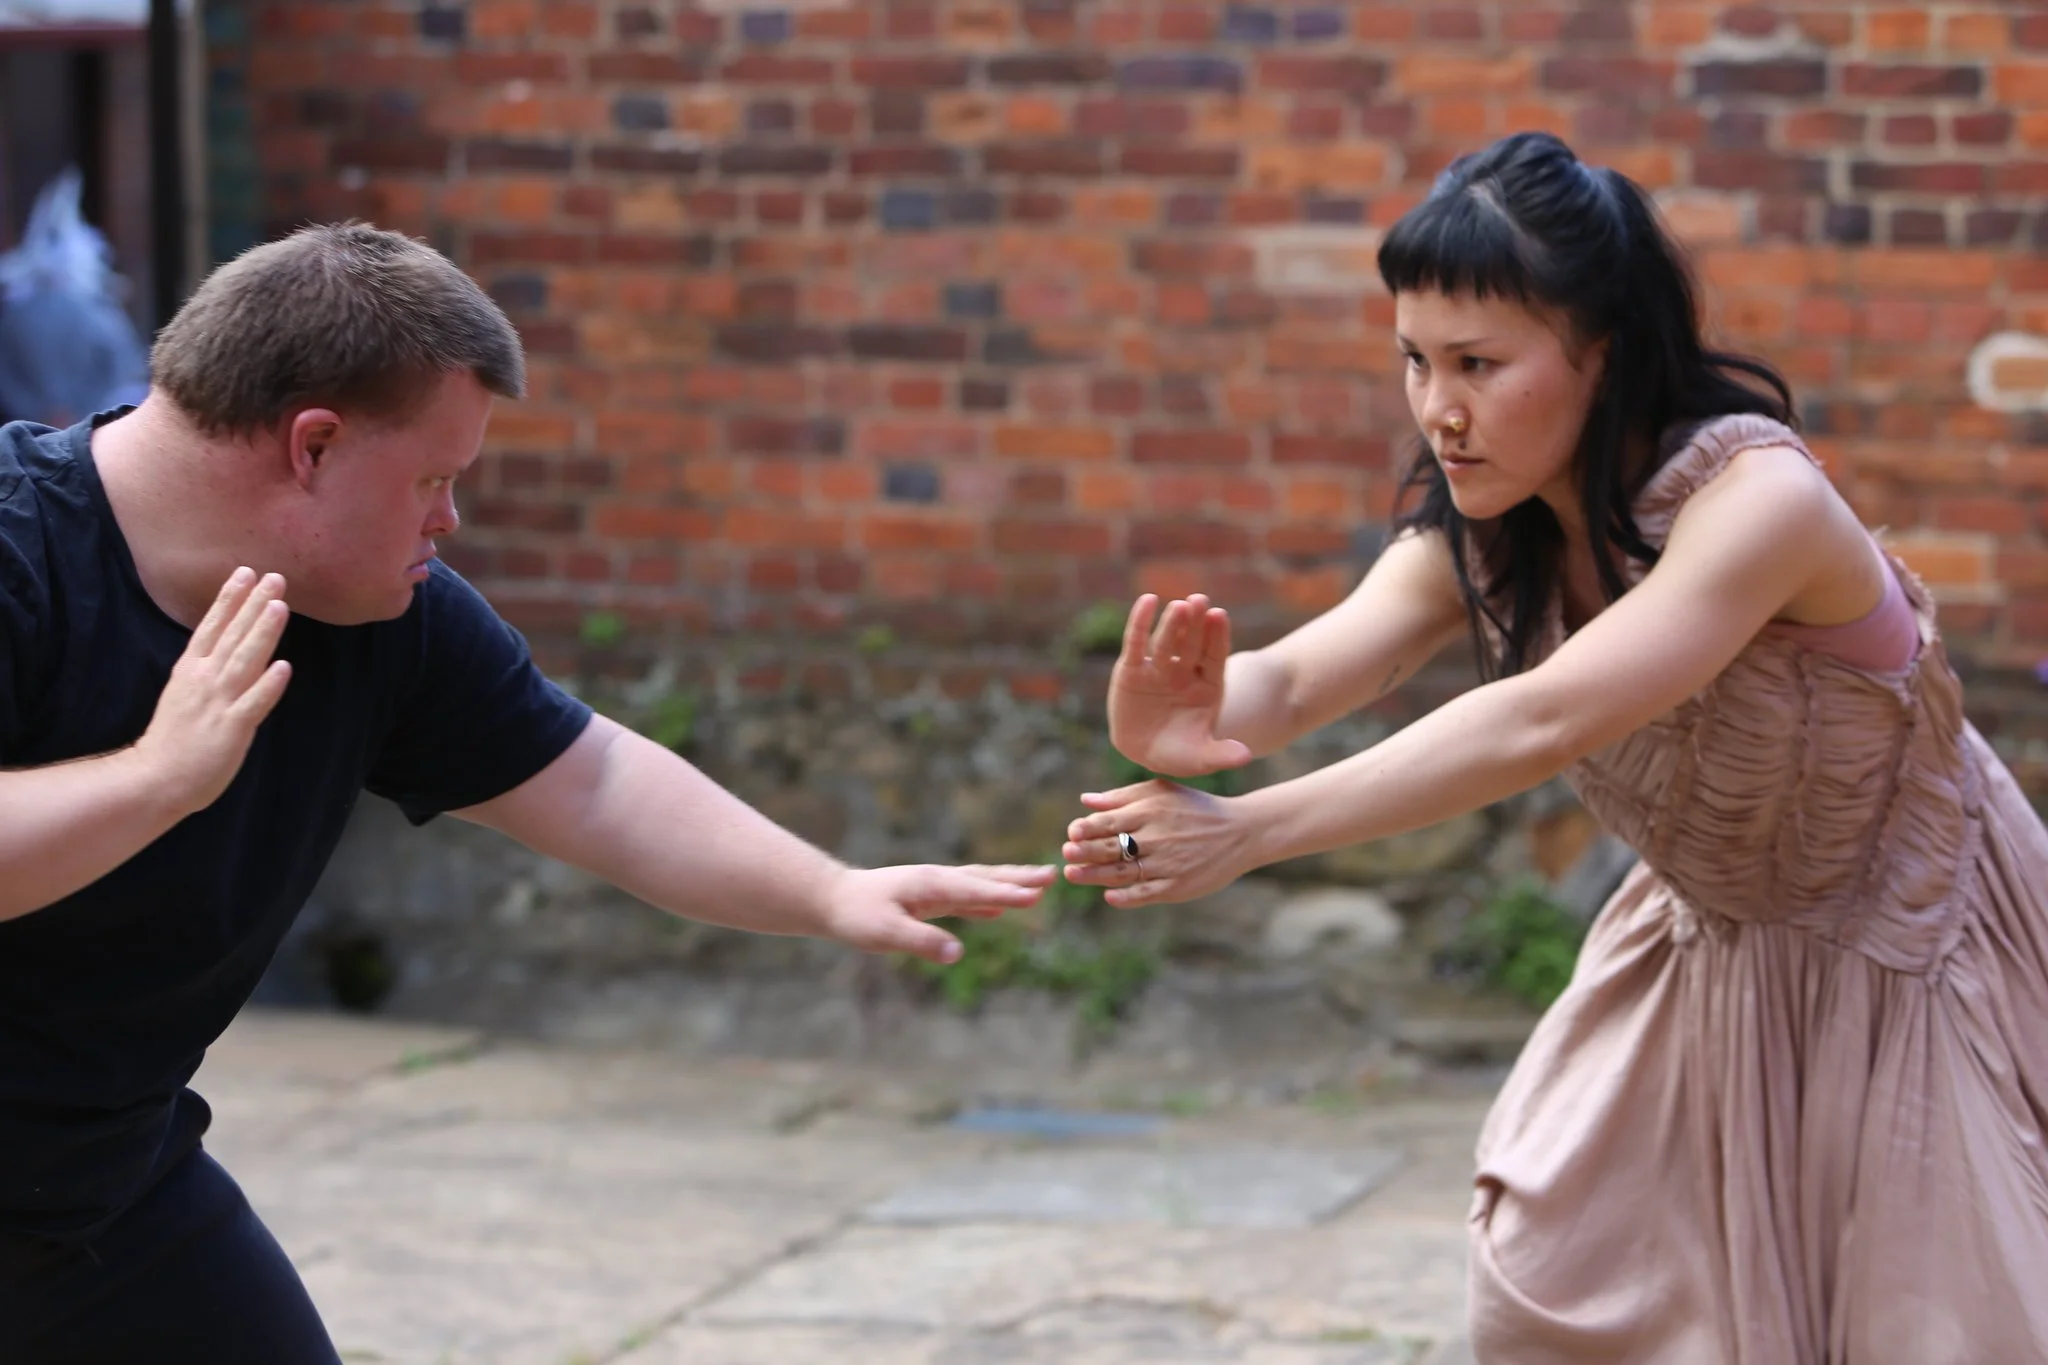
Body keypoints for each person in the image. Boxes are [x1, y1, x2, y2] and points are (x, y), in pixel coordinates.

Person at [1062, 130, 2048, 1363]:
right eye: (1413, 362)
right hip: (1710, 951)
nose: (1438, 408)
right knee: (1554, 1288)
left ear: (1605, 353)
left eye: (1477, 362)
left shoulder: (1761, 504)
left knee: (1930, 1326)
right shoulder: (1494, 524)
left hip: (1910, 949)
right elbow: (1314, 666)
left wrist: (1254, 830)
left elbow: (1544, 714)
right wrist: (1184, 721)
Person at [0, 222, 1051, 1365]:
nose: (449, 519)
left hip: (95, 1192)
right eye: (435, 478)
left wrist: (826, 890)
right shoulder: (19, 555)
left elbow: (590, 779)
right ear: (312, 445)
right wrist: (159, 778)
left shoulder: (374, 615)